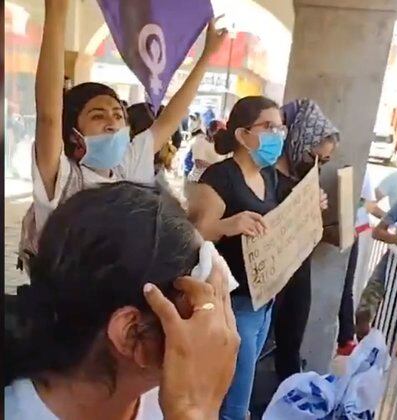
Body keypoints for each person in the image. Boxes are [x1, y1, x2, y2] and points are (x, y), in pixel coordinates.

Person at [5, 182, 240, 420]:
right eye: (196, 305)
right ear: (132, 334)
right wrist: (198, 411)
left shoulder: (165, 393)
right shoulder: (184, 402)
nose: (216, 326)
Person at [31, 0, 226, 235]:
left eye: (117, 114)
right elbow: (48, 116)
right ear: (74, 135)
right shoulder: (62, 178)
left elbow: (170, 118)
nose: (112, 122)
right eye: (97, 116)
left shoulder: (127, 165)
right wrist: (56, 13)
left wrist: (207, 56)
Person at [189, 96, 289, 420]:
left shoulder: (269, 176)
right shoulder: (220, 178)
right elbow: (194, 235)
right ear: (243, 135)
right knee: (236, 403)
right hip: (232, 305)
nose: (278, 135)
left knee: (235, 391)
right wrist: (228, 225)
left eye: (280, 127)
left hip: (263, 300)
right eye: (268, 127)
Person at [272, 98, 339, 384]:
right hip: (272, 275)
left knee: (291, 337)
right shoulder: (270, 177)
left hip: (298, 271)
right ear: (299, 140)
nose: (316, 166)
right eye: (314, 157)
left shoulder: (304, 176)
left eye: (323, 162)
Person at [336, 167, 385, 356]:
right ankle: (346, 337)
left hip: (353, 231)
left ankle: (346, 337)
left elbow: (368, 203)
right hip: (347, 231)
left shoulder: (362, 171)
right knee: (346, 286)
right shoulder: (358, 170)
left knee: (347, 285)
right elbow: (370, 203)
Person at [355, 197, 397, 340]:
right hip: (389, 267)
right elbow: (377, 232)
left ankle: (378, 357)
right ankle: (364, 349)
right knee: (363, 313)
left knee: (391, 328)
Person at [127, 102, 182, 189]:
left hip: (136, 161)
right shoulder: (165, 112)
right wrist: (168, 152)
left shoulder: (133, 111)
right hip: (157, 162)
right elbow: (177, 138)